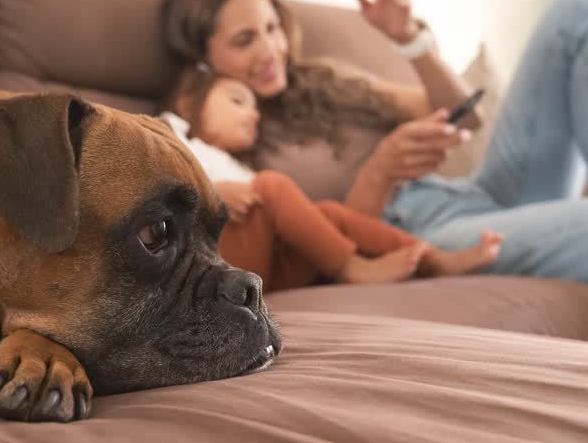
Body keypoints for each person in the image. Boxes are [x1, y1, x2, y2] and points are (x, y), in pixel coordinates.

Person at [158, 0, 588, 363]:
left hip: (468, 193)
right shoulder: (219, 128)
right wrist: (380, 171)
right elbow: (321, 240)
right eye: (245, 40)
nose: (271, 49)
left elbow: (457, 115)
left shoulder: (322, 81)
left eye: (272, 27)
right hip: (423, 235)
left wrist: (410, 39)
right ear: (205, 58)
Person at [161, 66, 504, 292]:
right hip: (213, 259)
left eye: (254, 109)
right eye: (237, 101)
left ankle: (432, 259)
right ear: (190, 104)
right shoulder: (172, 134)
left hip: (265, 268)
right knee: (272, 185)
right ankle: (351, 268)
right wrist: (213, 191)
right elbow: (157, 186)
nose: (252, 115)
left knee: (328, 212)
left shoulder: (238, 165)